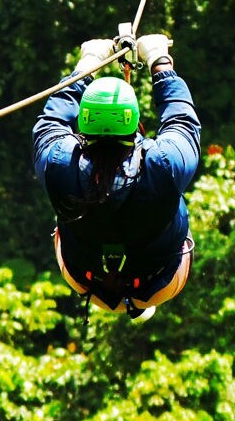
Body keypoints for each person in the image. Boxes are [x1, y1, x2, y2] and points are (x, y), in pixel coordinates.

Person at [32, 33, 201, 321]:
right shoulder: (164, 163)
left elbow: (52, 120)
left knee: (63, 210)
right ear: (135, 122)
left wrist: (87, 65)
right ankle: (140, 297)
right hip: (159, 282)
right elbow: (181, 120)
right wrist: (160, 63)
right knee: (171, 202)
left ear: (84, 122)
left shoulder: (59, 162)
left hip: (86, 279)